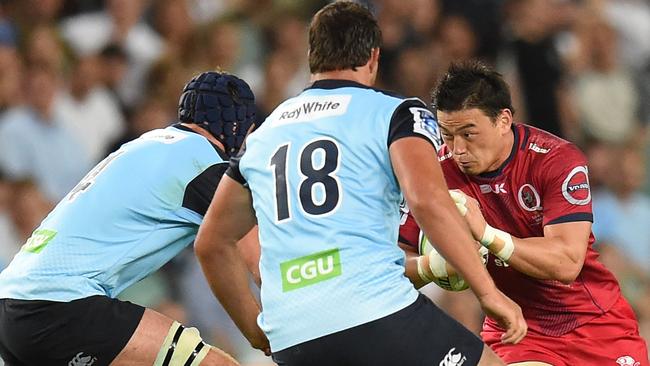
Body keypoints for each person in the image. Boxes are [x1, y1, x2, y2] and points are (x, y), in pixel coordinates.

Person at [194, 2, 526, 366]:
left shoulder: (263, 137)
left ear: (311, 56)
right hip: (372, 312)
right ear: (373, 57)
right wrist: (488, 292)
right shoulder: (396, 114)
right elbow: (427, 200)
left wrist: (257, 332)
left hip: (293, 337)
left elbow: (211, 243)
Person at [0, 71, 259, 366]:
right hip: (60, 304)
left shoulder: (145, 144)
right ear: (240, 129)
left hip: (10, 308)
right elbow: (257, 259)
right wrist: (262, 331)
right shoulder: (204, 164)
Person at [400, 61, 649, 366]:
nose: (458, 149)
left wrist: (487, 235)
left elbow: (568, 262)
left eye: (468, 133)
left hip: (593, 321)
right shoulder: (434, 173)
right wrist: (430, 266)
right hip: (519, 330)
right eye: (447, 135)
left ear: (503, 120)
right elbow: (392, 262)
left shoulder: (556, 159)